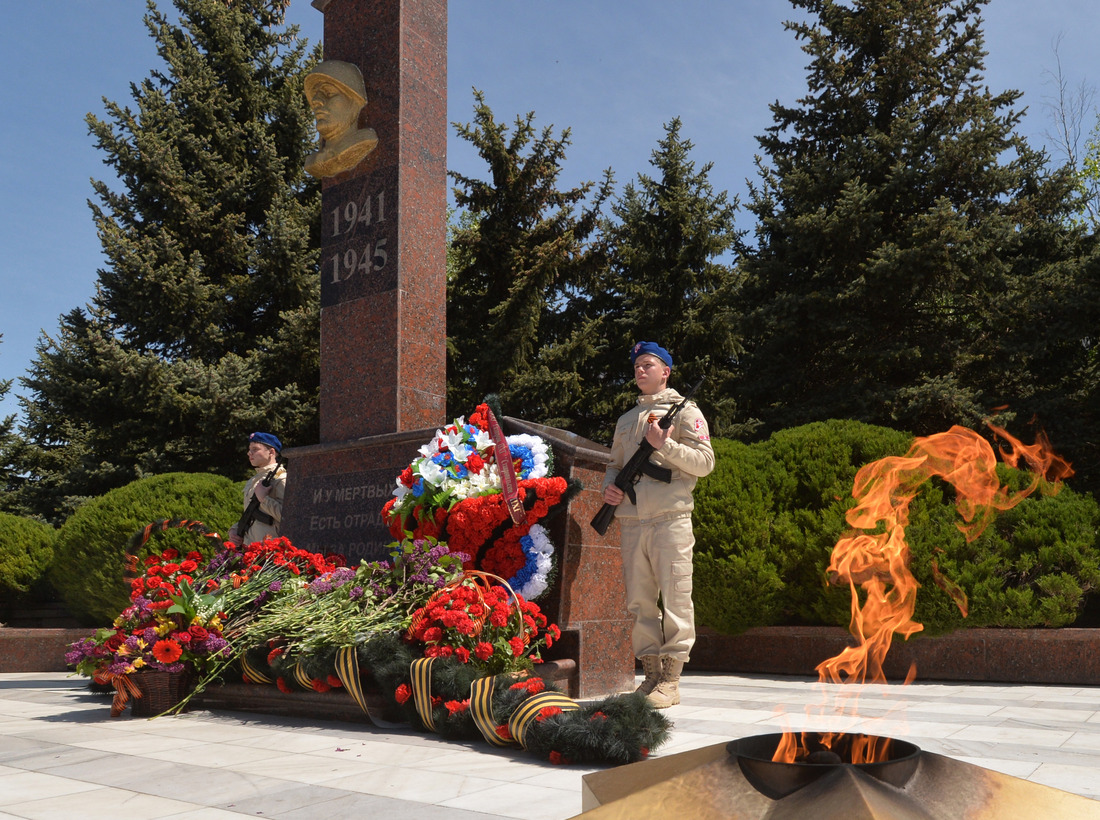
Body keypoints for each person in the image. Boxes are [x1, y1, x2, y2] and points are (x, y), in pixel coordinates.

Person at [601, 342, 714, 708]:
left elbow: (704, 462)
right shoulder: (625, 420)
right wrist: (609, 490)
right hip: (633, 521)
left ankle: (671, 681)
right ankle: (649, 676)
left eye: (648, 365)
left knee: (677, 598)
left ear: (666, 371)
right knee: (640, 602)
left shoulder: (686, 413)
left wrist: (664, 447)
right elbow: (615, 466)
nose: (640, 370)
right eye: (636, 366)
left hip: (670, 519)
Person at [303, 60, 379, 179]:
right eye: (315, 95)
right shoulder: (313, 161)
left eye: (328, 92)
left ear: (355, 100)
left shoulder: (363, 141)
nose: (316, 101)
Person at [228, 431, 287, 547]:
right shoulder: (253, 481)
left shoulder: (281, 479)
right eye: (249, 449)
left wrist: (263, 499)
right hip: (250, 547)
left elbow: (288, 516)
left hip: (272, 549)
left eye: (255, 449)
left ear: (271, 452)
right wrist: (234, 529)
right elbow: (250, 512)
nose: (249, 453)